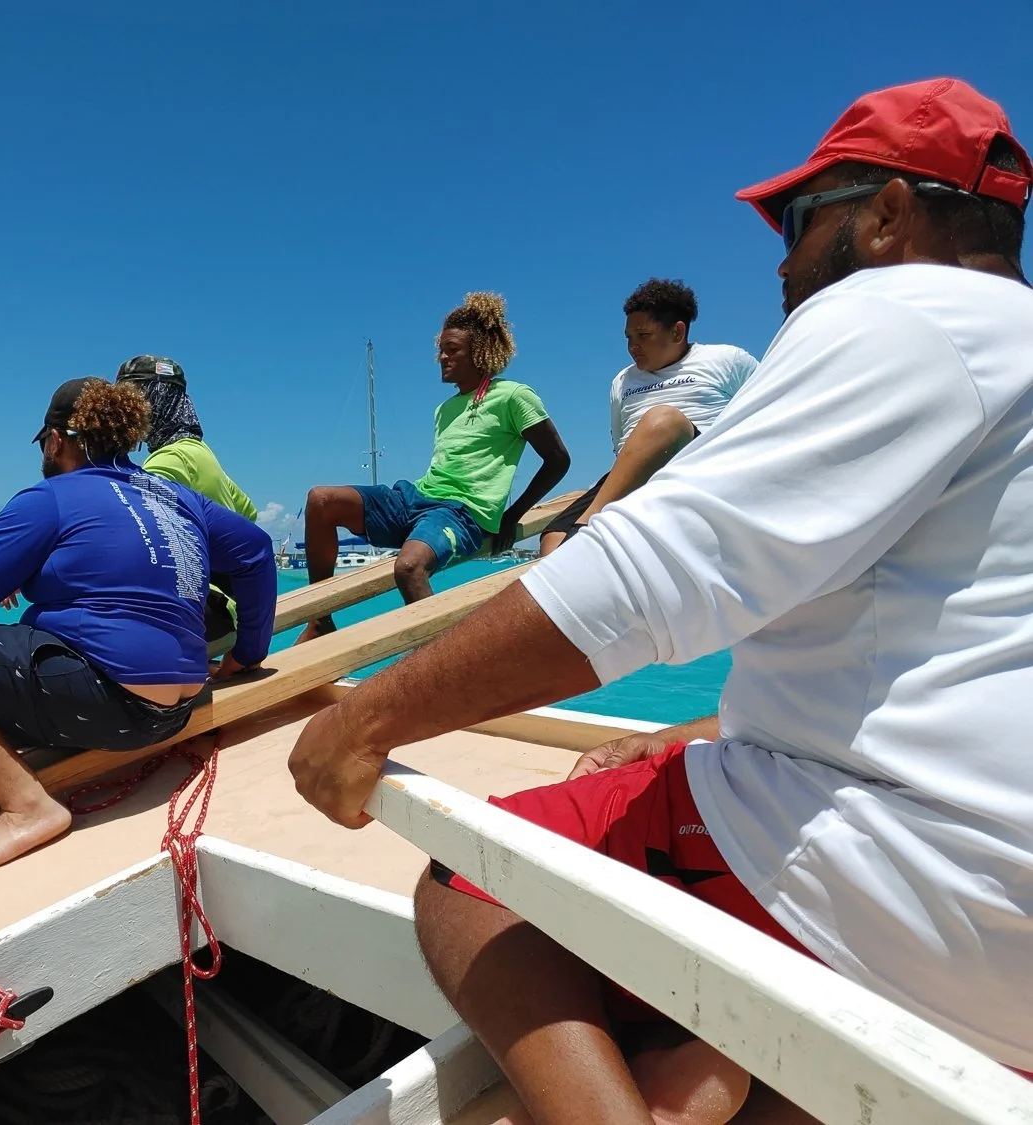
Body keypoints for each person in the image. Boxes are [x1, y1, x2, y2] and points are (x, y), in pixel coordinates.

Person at [286, 76, 1033, 1124]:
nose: (779, 258)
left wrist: (366, 719)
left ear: (889, 214)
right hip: (1007, 958)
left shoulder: (903, 308)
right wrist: (695, 727)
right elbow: (950, 645)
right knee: (724, 1073)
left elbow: (661, 569)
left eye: (795, 218)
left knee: (472, 880)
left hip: (920, 887)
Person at [0, 377, 276, 879]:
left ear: (57, 440)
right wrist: (247, 655)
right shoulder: (174, 495)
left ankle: (27, 807)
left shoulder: (51, 499)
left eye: (43, 442)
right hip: (178, 708)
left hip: (113, 706)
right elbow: (256, 551)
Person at [297, 293, 569, 641]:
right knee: (321, 499)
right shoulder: (444, 409)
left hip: (462, 512)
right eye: (440, 349)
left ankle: (445, 674)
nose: (441, 357)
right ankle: (320, 621)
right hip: (417, 498)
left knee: (409, 568)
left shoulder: (514, 396)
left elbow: (558, 459)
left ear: (480, 350)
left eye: (452, 349)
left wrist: (512, 514)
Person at [540, 280, 758, 554]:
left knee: (663, 420)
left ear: (678, 332)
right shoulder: (623, 380)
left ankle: (587, 531)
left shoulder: (727, 360)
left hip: (700, 464)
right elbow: (621, 444)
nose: (633, 346)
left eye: (643, 335)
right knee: (553, 537)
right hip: (638, 472)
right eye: (628, 337)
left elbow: (766, 411)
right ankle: (577, 556)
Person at [115, 354, 258, 652]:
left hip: (202, 620)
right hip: (227, 613)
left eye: (131, 398)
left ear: (155, 399)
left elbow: (133, 541)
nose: (123, 413)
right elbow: (248, 513)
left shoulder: (166, 462)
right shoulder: (199, 452)